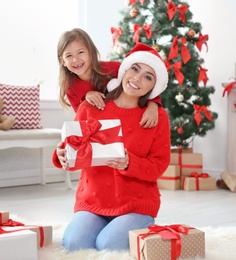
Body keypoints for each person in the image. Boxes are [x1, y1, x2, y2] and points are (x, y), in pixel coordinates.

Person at [53, 43, 171, 252]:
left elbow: (159, 165)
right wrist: (62, 155)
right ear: (124, 70)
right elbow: (72, 149)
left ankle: (138, 226)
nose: (137, 78)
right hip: (93, 201)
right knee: (74, 243)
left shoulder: (157, 117)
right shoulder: (90, 107)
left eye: (148, 77)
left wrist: (130, 163)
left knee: (107, 244)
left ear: (154, 87)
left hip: (135, 205)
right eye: (135, 69)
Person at [57, 28, 162, 128]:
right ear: (63, 61)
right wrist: (87, 96)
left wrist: (153, 105)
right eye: (69, 56)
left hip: (126, 121)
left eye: (80, 52)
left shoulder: (114, 68)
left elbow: (143, 83)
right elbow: (81, 118)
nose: (75, 59)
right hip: (100, 132)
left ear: (91, 52)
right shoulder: (69, 86)